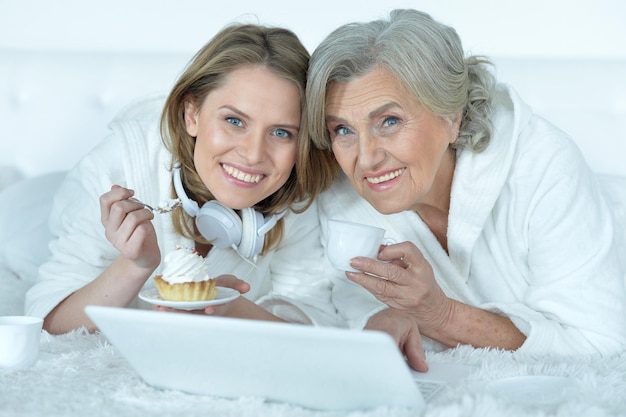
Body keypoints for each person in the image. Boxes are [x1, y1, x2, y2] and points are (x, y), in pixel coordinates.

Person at [306, 9, 626, 372]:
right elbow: (339, 305)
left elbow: (599, 344)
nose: (365, 159)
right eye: (343, 130)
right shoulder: (340, 194)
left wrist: (441, 315)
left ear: (452, 116)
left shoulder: (543, 166)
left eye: (390, 121)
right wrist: (384, 317)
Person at [25, 23, 339, 334]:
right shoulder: (119, 164)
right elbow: (48, 325)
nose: (254, 154)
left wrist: (229, 306)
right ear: (192, 114)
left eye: (281, 132)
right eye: (234, 121)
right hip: (27, 218)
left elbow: (318, 328)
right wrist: (135, 266)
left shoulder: (294, 186)